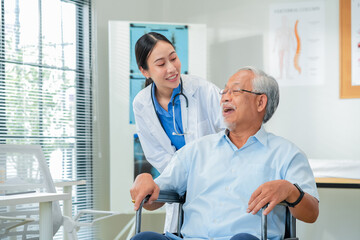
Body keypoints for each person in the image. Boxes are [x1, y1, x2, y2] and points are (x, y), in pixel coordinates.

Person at [130, 66, 319, 240]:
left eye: (235, 91)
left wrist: (290, 191)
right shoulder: (196, 150)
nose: (224, 98)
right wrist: (145, 182)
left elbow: (311, 214)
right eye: (224, 91)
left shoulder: (286, 154)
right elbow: (153, 200)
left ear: (260, 102)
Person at [132, 32, 224, 233]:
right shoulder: (142, 103)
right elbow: (155, 154)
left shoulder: (203, 90)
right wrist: (182, 176)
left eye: (173, 58)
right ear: (144, 71)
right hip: (179, 187)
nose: (172, 68)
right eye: (161, 63)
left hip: (216, 184)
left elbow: (234, 131)